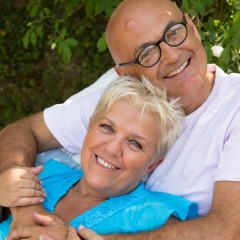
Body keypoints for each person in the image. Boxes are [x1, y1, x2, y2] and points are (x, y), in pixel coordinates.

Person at [1, 0, 240, 238]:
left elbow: (229, 230)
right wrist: (25, 209)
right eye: (147, 53)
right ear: (125, 76)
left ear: (192, 27)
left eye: (174, 32)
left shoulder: (235, 105)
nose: (171, 54)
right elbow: (23, 130)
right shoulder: (121, 103)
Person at [0, 76, 197, 239]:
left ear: (151, 166)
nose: (112, 148)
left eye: (135, 143)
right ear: (89, 126)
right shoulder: (46, 173)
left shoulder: (154, 215)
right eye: (107, 127)